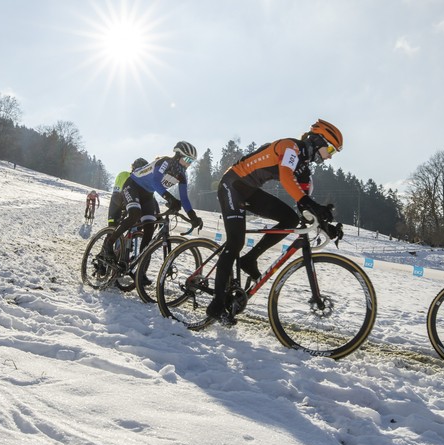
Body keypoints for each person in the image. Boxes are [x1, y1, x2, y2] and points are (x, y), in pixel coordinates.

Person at [205, 119, 342, 323]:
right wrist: (311, 204)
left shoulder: (303, 168)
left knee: (290, 219)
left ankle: (249, 259)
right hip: (232, 184)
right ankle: (216, 304)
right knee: (235, 242)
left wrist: (325, 226)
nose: (330, 156)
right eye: (330, 148)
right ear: (318, 140)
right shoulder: (290, 147)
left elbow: (303, 206)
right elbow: (287, 178)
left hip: (249, 191)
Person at [99, 142, 203, 282]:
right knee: (134, 214)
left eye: (192, 161)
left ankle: (140, 271)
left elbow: (184, 198)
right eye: (188, 159)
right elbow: (155, 182)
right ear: (178, 155)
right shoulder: (165, 162)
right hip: (133, 186)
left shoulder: (182, 174)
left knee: (150, 227)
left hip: (147, 195)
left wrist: (193, 217)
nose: (189, 164)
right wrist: (169, 198)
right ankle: (108, 243)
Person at [107, 158, 148, 226]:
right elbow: (116, 195)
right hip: (118, 204)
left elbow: (151, 199)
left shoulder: (145, 183)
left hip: (134, 205)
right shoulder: (123, 175)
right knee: (113, 228)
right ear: (134, 168)